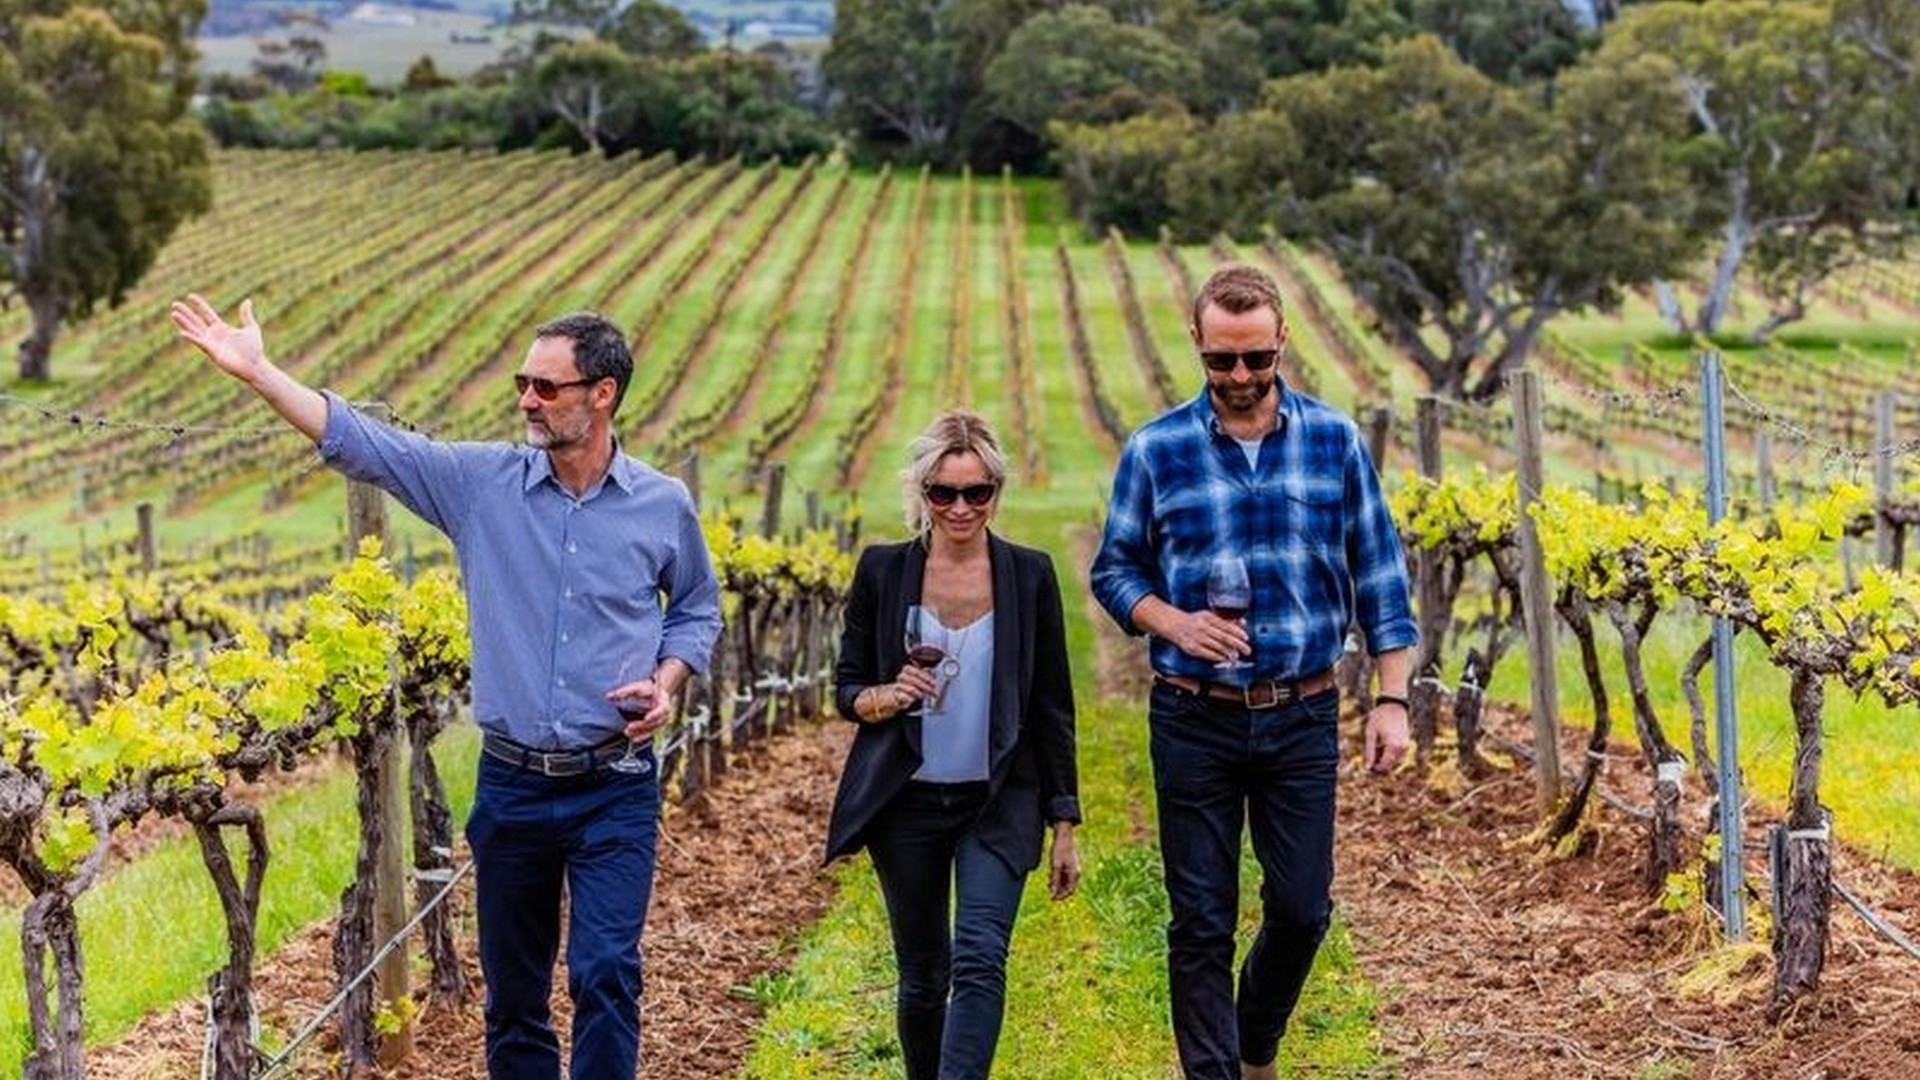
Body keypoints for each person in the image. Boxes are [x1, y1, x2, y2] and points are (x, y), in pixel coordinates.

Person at [170, 295, 722, 1080]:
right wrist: (260, 373)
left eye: (547, 387)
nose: (527, 399)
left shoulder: (662, 504)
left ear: (603, 395)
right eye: (522, 383)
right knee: (515, 997)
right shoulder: (482, 485)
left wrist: (668, 680)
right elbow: (364, 443)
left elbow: (696, 608)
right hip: (514, 786)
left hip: (617, 783)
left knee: (604, 974)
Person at [1089, 264, 1415, 1080]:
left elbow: (1380, 574)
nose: (1240, 377)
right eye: (1223, 361)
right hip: (1193, 713)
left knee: (1303, 909)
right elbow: (1115, 570)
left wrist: (1392, 699)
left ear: (1282, 345)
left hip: (1301, 712)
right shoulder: (1156, 450)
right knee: (1200, 918)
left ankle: (1251, 1045)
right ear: (1198, 343)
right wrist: (1173, 622)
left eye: (1257, 360)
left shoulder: (1334, 441)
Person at [826, 409, 1082, 1080]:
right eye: (944, 492)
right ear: (922, 493)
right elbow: (847, 687)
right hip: (905, 804)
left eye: (977, 492)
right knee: (921, 975)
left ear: (996, 492)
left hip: (996, 802)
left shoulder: (1029, 576)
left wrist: (1064, 821)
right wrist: (885, 697)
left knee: (978, 957)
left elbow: (1053, 705)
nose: (961, 507)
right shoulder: (883, 572)